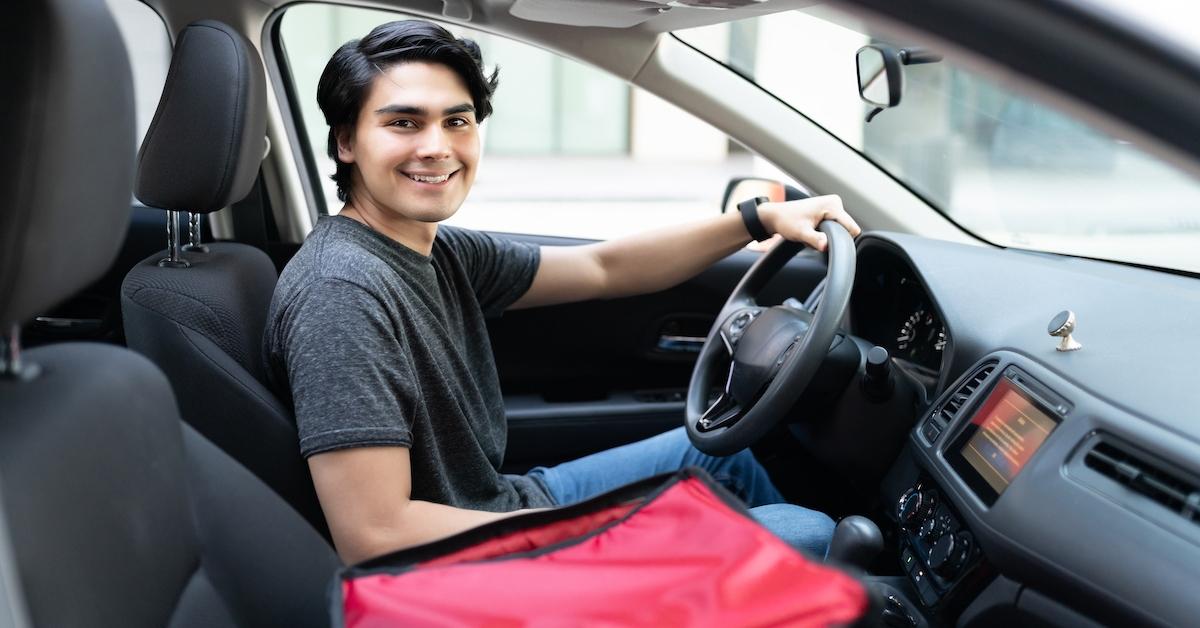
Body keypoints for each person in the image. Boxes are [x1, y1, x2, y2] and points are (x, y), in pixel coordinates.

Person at [264, 19, 862, 565]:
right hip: (464, 568)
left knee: (720, 455)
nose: (437, 146)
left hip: (500, 504)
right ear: (346, 142)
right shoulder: (341, 293)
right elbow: (377, 535)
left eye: (457, 120)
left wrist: (756, 219)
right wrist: (597, 530)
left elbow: (605, 267)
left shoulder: (434, 249)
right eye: (403, 122)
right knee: (801, 532)